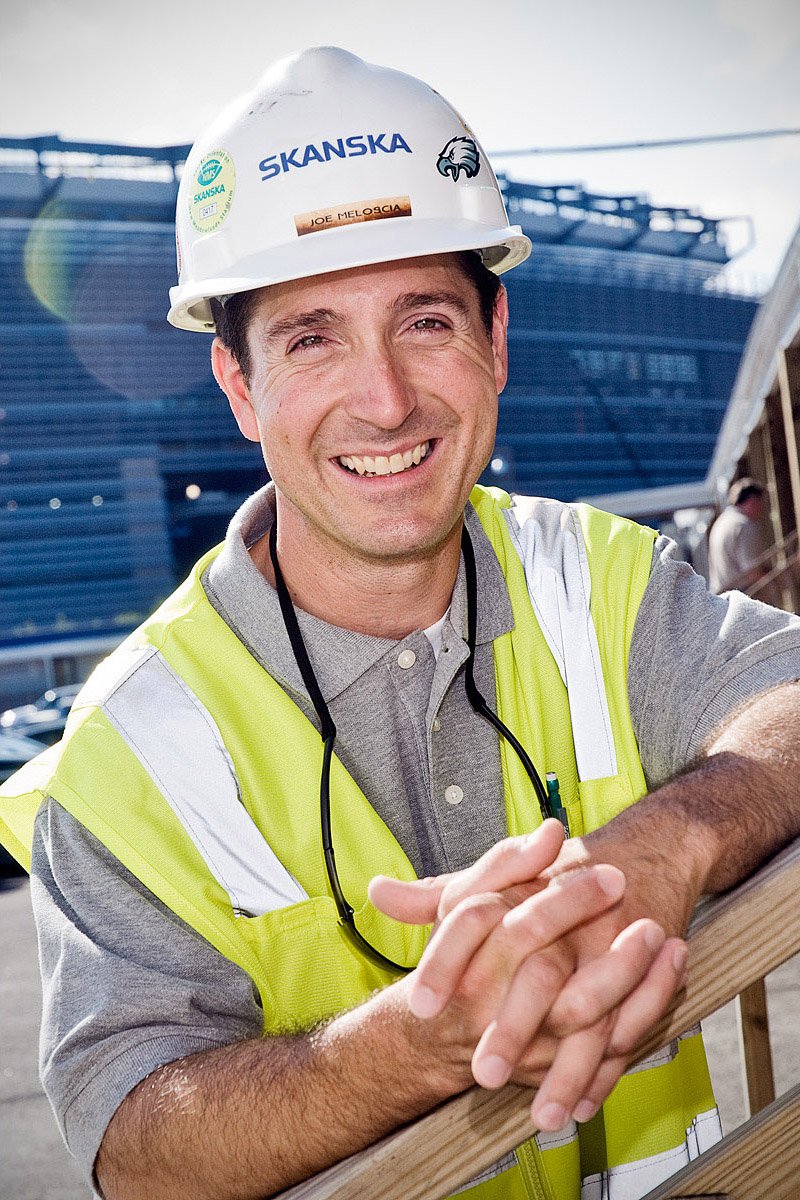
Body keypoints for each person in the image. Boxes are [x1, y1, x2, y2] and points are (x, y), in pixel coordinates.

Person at [2, 46, 800, 1200]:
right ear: (237, 386)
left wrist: (656, 850)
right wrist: (418, 1040)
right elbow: (133, 1146)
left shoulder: (597, 577)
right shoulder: (130, 753)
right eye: (312, 337)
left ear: (496, 339)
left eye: (424, 320)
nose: (383, 399)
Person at [708, 477, 772, 596]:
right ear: (752, 501)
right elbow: (753, 570)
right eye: (761, 503)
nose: (762, 510)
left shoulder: (722, 521)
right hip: (744, 596)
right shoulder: (743, 525)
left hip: (724, 598)